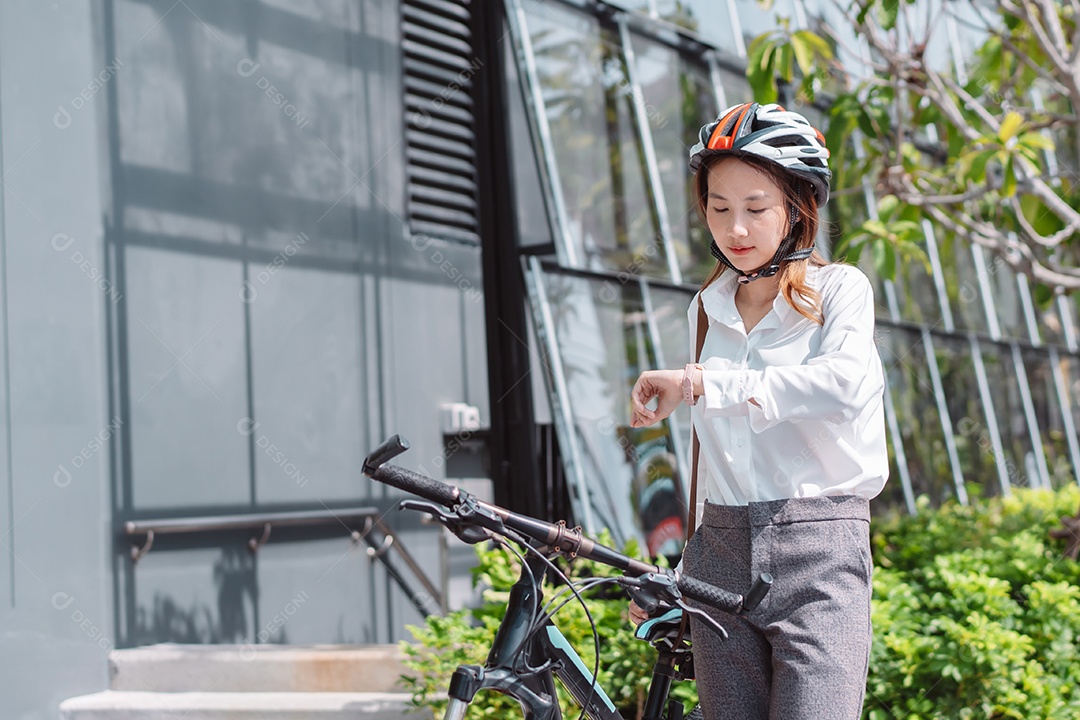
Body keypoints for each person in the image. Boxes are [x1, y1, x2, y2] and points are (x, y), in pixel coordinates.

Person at [627, 102, 889, 720]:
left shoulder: (840, 291)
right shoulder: (706, 307)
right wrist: (684, 568)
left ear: (798, 208)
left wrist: (702, 384)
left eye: (755, 207)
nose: (735, 228)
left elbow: (842, 385)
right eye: (719, 208)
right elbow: (713, 460)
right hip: (717, 555)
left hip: (819, 551)